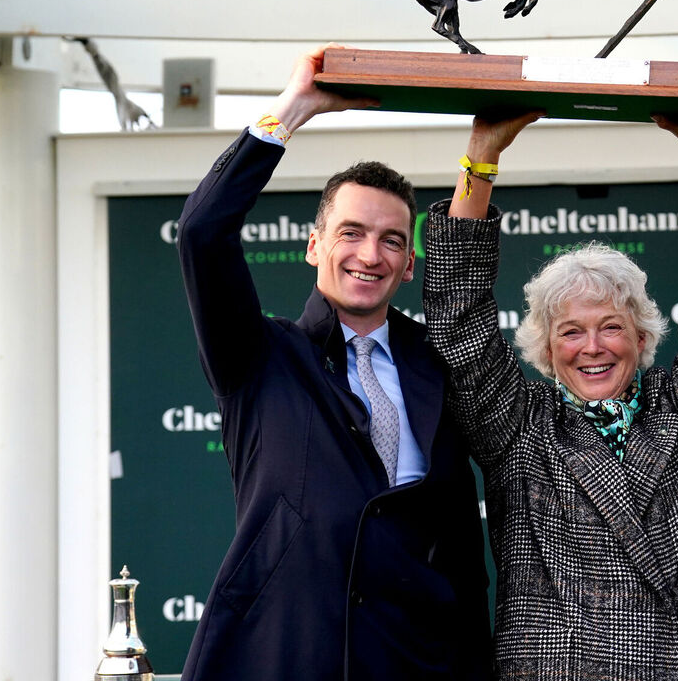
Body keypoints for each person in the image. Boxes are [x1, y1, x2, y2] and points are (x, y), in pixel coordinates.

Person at [176, 46, 491, 681]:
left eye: (392, 241)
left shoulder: (443, 365)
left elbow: (460, 548)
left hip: (414, 663)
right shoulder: (260, 357)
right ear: (315, 245)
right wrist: (293, 111)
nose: (369, 254)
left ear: (409, 265)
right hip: (285, 656)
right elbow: (202, 233)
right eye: (351, 232)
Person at [421, 112, 678, 680]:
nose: (592, 347)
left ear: (640, 334)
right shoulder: (519, 427)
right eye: (570, 331)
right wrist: (482, 152)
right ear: (546, 347)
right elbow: (458, 315)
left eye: (610, 325)